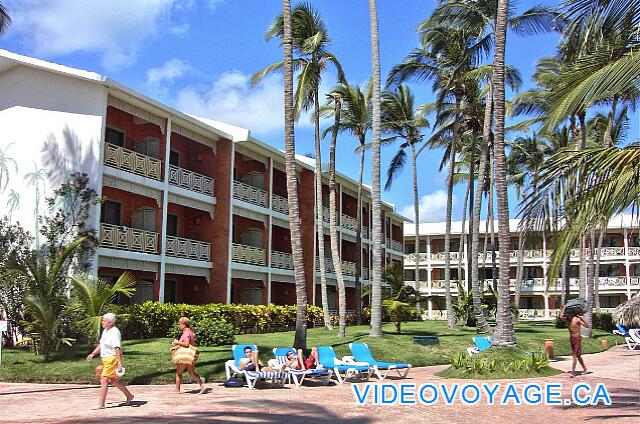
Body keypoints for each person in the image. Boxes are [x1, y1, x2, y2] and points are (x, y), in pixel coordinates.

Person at [87, 313, 134, 409]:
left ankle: (101, 404)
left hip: (112, 359)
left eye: (104, 321)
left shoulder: (115, 332)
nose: (102, 322)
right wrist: (93, 353)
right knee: (114, 380)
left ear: (110, 322)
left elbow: (117, 348)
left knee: (103, 379)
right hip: (105, 359)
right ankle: (129, 396)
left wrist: (119, 363)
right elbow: (102, 344)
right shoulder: (106, 331)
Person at [172, 317, 206, 394]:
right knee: (192, 373)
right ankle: (202, 387)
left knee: (178, 372)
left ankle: (177, 390)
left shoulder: (186, 333)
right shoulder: (191, 332)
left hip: (185, 356)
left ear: (184, 325)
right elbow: (190, 344)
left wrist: (177, 342)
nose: (179, 326)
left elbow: (187, 344)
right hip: (190, 356)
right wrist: (176, 347)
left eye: (180, 324)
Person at [560, 304, 590, 377]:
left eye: (568, 315)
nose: (566, 316)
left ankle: (573, 372)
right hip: (572, 338)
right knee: (578, 356)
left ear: (571, 314)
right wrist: (564, 308)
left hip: (577, 338)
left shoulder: (577, 319)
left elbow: (587, 325)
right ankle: (585, 369)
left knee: (574, 355)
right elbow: (560, 317)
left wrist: (581, 318)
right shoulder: (568, 321)